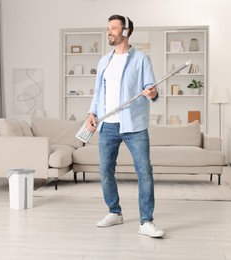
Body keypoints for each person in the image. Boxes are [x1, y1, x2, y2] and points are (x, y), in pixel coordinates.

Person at [86, 15, 165, 238]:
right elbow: (97, 93)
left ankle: (146, 221)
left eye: (113, 28)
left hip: (134, 125)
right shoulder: (104, 61)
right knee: (105, 172)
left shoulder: (141, 59)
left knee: (144, 172)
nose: (109, 32)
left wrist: (152, 92)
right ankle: (114, 212)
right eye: (108, 28)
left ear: (126, 31)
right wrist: (92, 113)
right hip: (107, 125)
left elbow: (152, 89)